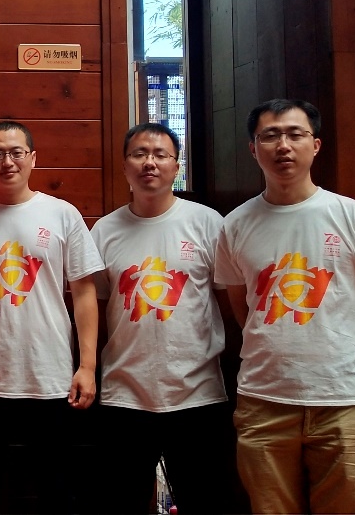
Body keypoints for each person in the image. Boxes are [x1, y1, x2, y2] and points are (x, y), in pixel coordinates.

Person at [215, 98, 355, 513]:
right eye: (270, 136)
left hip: (346, 405)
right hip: (264, 403)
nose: (283, 145)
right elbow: (243, 310)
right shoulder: (235, 225)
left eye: (295, 134)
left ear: (315, 145)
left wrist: (351, 367)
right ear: (253, 149)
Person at [89, 122, 243, 513]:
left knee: (209, 502)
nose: (150, 163)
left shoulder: (208, 223)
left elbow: (229, 306)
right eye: (139, 154)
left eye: (161, 155)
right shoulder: (105, 230)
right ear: (125, 165)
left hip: (198, 393)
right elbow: (98, 312)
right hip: (124, 394)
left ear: (176, 166)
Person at [0, 120, 103, 513]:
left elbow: (84, 293)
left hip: (49, 376)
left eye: (16, 152)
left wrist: (87, 366)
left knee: (58, 490)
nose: (8, 162)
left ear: (33, 158)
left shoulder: (62, 214)